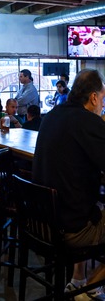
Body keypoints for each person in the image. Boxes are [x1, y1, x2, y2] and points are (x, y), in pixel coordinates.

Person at [32, 69, 105, 293]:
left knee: (85, 202)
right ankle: (87, 292)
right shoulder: (88, 122)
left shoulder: (52, 116)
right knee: (87, 210)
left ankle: (78, 280)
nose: (103, 105)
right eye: (103, 99)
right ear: (94, 97)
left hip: (40, 224)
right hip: (70, 231)